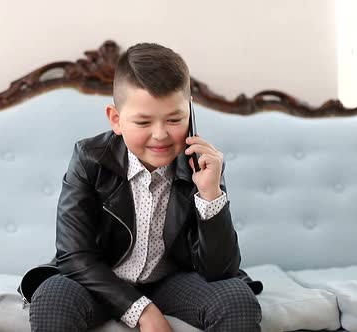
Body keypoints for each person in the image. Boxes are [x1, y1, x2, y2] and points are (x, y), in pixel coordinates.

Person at [24, 42, 262, 332]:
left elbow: (220, 270)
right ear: (116, 120)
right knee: (52, 296)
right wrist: (143, 311)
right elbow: (74, 256)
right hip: (101, 281)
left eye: (175, 119)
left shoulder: (201, 166)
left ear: (189, 114)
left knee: (237, 298)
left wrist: (210, 195)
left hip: (172, 281)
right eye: (143, 122)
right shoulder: (89, 159)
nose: (160, 135)